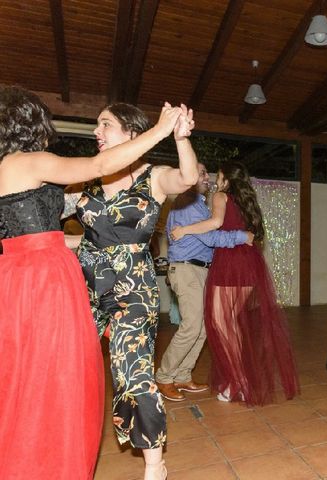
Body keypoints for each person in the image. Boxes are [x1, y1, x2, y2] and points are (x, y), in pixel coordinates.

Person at [0, 86, 181, 479]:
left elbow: (34, 228)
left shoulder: (16, 168)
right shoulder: (29, 162)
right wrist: (160, 130)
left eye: (105, 123)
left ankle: (39, 458)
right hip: (49, 282)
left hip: (34, 276)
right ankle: (50, 460)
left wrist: (103, 243)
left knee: (37, 375)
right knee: (61, 374)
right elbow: (97, 168)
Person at [67, 102, 199, 480]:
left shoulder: (152, 177)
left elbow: (187, 178)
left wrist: (181, 138)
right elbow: (45, 213)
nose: (97, 131)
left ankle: (155, 465)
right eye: (97, 124)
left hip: (132, 290)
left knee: (133, 372)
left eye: (105, 124)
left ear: (131, 133)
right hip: (85, 286)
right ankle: (67, 444)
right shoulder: (86, 180)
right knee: (72, 367)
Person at [170, 162, 299, 406]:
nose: (214, 179)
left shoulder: (221, 196)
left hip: (229, 264)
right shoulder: (247, 201)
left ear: (226, 178)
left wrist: (185, 230)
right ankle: (236, 380)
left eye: (218, 176)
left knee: (220, 324)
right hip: (250, 265)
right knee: (232, 325)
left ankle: (238, 380)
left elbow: (216, 223)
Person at [156, 162, 253, 401]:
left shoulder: (199, 204)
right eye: (201, 174)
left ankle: (182, 375)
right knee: (191, 326)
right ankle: (164, 377)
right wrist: (242, 236)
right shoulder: (186, 203)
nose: (207, 179)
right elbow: (211, 237)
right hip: (187, 269)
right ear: (188, 178)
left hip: (199, 269)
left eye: (208, 175)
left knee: (202, 328)